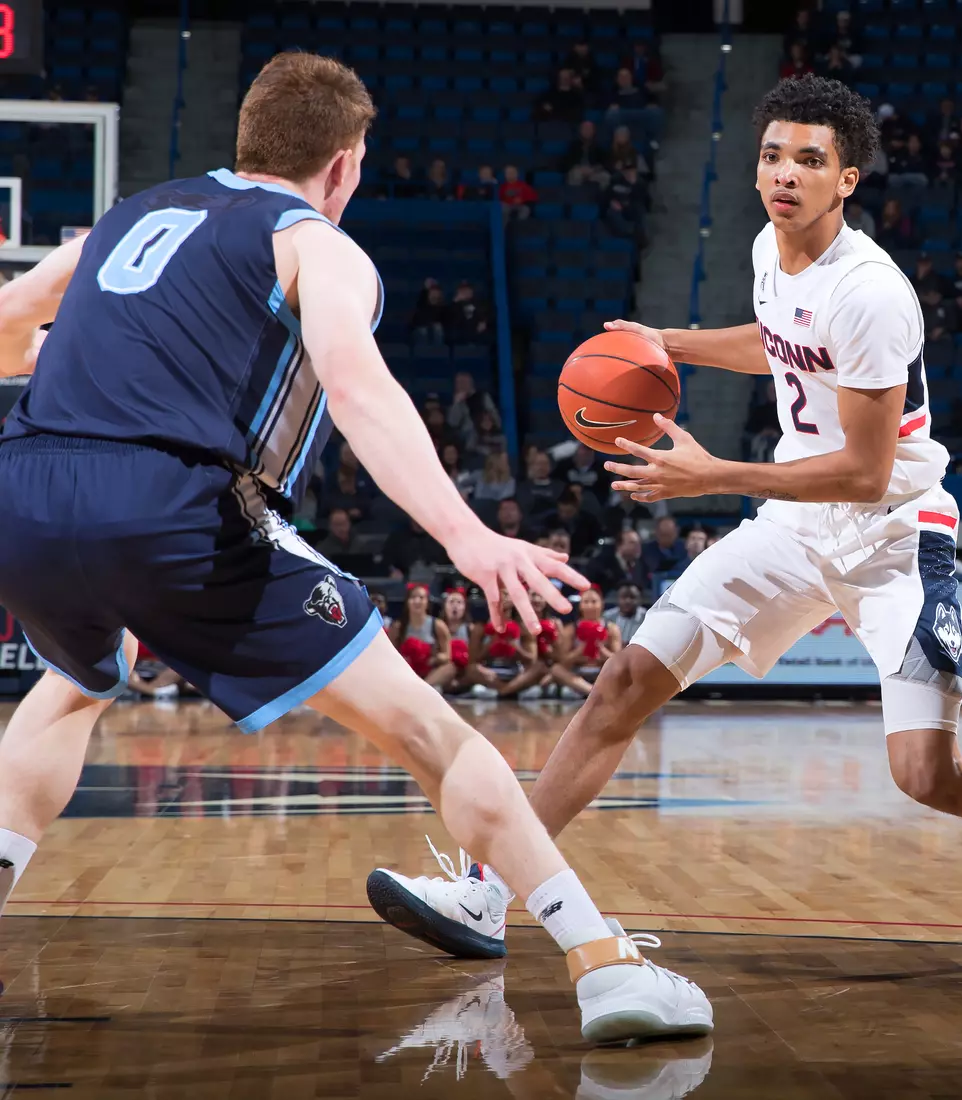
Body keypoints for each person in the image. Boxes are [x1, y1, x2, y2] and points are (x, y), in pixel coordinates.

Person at [366, 73, 962, 964]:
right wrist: (670, 343)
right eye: (772, 156)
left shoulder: (873, 292)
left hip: (894, 539)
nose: (785, 174)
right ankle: (488, 892)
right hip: (793, 526)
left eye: (810, 160)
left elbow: (866, 474)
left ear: (848, 180)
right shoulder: (768, 247)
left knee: (923, 775)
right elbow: (775, 336)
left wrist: (713, 475)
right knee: (625, 682)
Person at [0, 52, 709, 1044]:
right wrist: (467, 534)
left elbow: (3, 325)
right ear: (342, 165)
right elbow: (356, 382)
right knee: (433, 732)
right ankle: (603, 963)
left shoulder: (128, 215)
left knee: (75, 681)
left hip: (23, 491)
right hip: (170, 504)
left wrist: (53, 356)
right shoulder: (316, 241)